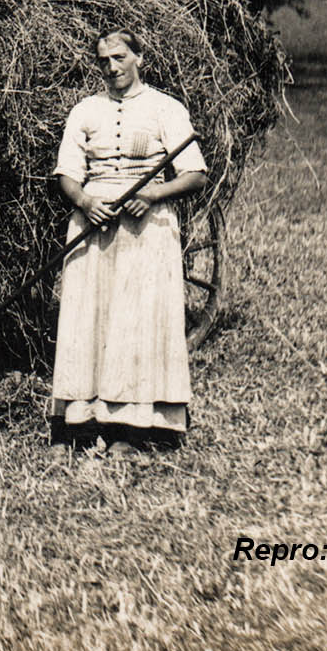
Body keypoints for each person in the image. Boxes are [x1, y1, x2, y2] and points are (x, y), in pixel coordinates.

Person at [50, 29, 209, 456]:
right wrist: (85, 201)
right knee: (89, 320)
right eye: (103, 60)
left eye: (120, 57)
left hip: (147, 228)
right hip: (93, 223)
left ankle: (135, 427)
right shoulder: (84, 110)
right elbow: (66, 173)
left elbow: (194, 174)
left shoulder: (166, 109)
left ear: (140, 56)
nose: (112, 67)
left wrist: (152, 194)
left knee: (137, 322)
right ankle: (79, 422)